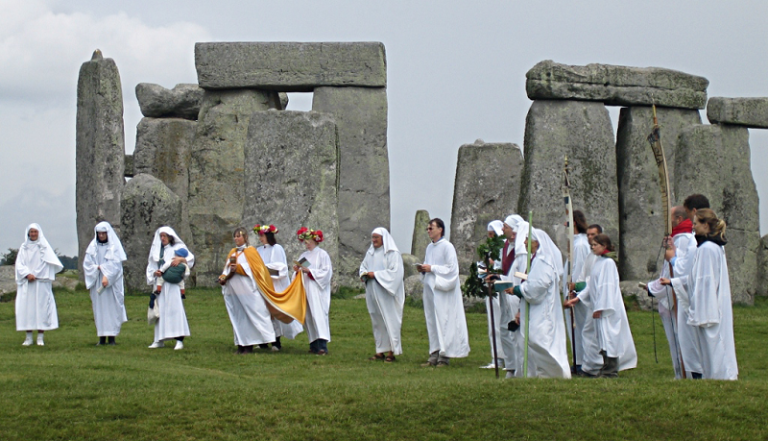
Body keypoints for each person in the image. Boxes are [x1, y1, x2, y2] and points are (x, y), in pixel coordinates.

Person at [661, 209, 738, 380]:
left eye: (696, 224)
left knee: (714, 346)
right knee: (710, 347)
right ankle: (714, 378)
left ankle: (720, 378)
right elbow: (695, 277)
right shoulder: (709, 247)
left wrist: (700, 311)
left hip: (708, 310)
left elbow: (705, 282)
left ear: (706, 225)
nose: (693, 227)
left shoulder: (707, 249)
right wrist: (674, 282)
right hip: (709, 307)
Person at [566, 234, 636, 378]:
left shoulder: (609, 263)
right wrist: (578, 298)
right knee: (601, 338)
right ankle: (602, 367)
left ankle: (611, 370)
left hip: (607, 309)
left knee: (609, 337)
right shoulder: (598, 262)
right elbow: (591, 285)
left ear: (604, 246)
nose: (592, 247)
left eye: (596, 244)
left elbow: (607, 287)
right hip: (598, 307)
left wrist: (601, 308)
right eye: (592, 245)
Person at [508, 226, 571, 378]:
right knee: (530, 340)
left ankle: (552, 373)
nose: (524, 242)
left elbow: (536, 287)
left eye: (527, 240)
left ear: (536, 242)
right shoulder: (535, 260)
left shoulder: (543, 262)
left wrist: (518, 290)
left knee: (539, 340)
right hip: (532, 309)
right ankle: (534, 373)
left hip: (541, 311)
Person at [646, 206, 701, 379]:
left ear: (677, 219)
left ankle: (685, 374)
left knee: (681, 339)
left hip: (678, 298)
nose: (666, 221)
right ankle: (680, 373)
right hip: (670, 294)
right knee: (676, 340)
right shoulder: (677, 238)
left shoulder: (685, 239)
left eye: (668, 217)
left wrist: (655, 288)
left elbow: (681, 270)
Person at [417, 218, 470, 367]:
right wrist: (423, 270)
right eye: (427, 228)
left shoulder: (448, 247)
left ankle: (444, 356)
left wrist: (432, 268)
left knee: (444, 321)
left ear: (440, 229)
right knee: (432, 322)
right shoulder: (429, 248)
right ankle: (434, 353)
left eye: (431, 228)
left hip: (444, 291)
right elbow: (429, 265)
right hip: (431, 291)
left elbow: (452, 270)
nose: (428, 230)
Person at [218, 227, 277, 354]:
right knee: (238, 317)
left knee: (251, 315)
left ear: (245, 237)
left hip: (247, 290)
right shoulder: (233, 252)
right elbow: (226, 269)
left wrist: (239, 268)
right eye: (235, 236)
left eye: (239, 236)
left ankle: (251, 344)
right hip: (234, 291)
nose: (236, 239)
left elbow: (257, 269)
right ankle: (241, 344)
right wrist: (223, 277)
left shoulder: (251, 251)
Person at [254, 224, 303, 351]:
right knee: (263, 313)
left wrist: (264, 269)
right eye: (260, 236)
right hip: (263, 286)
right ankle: (263, 340)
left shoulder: (277, 248)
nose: (261, 239)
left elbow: (281, 268)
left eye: (262, 236)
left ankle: (276, 342)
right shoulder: (259, 250)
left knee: (275, 314)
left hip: (274, 286)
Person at [359, 227, 405, 362]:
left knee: (389, 321)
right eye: (372, 237)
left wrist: (376, 275)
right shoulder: (371, 252)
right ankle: (380, 350)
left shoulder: (393, 254)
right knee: (377, 321)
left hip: (387, 294)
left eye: (376, 238)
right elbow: (363, 266)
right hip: (373, 292)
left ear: (383, 238)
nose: (373, 240)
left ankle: (391, 352)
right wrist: (364, 274)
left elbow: (395, 273)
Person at [15, 223, 63, 346]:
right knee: (28, 309)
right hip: (27, 283)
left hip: (40, 282)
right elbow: (19, 264)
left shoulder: (44, 247)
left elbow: (46, 262)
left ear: (39, 233)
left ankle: (40, 337)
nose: (33, 234)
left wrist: (35, 274)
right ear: (28, 233)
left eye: (35, 232)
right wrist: (27, 274)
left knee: (41, 308)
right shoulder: (23, 247)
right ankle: (28, 337)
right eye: (31, 232)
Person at [146, 226, 193, 350]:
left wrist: (181, 259)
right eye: (161, 236)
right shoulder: (157, 251)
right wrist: (154, 274)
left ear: (170, 237)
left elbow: (190, 258)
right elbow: (152, 265)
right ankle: (159, 339)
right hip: (161, 285)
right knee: (160, 312)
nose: (162, 238)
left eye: (165, 236)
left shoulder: (177, 248)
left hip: (173, 285)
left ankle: (179, 340)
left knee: (175, 310)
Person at [82, 221, 128, 346]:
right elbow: (87, 264)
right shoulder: (93, 247)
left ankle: (112, 337)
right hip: (97, 280)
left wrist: (107, 276)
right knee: (100, 310)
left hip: (110, 285)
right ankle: (102, 337)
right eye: (99, 233)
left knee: (112, 309)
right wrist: (98, 269)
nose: (101, 236)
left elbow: (116, 266)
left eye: (103, 233)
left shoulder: (114, 247)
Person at [294, 227, 333, 355]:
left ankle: (322, 346)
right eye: (305, 241)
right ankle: (313, 344)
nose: (306, 244)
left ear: (315, 241)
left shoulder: (322, 254)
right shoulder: (304, 256)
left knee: (318, 315)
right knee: (308, 316)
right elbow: (300, 271)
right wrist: (297, 270)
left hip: (317, 290)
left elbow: (326, 273)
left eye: (308, 241)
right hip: (306, 288)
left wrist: (310, 272)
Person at [563, 210, 591, 374]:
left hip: (577, 293)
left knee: (579, 326)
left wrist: (573, 291)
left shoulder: (580, 245)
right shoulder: (575, 243)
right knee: (575, 327)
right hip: (572, 291)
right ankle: (579, 359)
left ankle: (582, 362)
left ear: (573, 223)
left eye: (567, 222)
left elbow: (579, 270)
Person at [480, 219, 506, 369]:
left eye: (492, 234)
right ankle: (496, 357)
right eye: (488, 235)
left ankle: (506, 358)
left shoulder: (503, 248)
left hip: (501, 288)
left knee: (502, 323)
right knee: (493, 324)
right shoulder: (490, 249)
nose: (490, 238)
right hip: (490, 288)